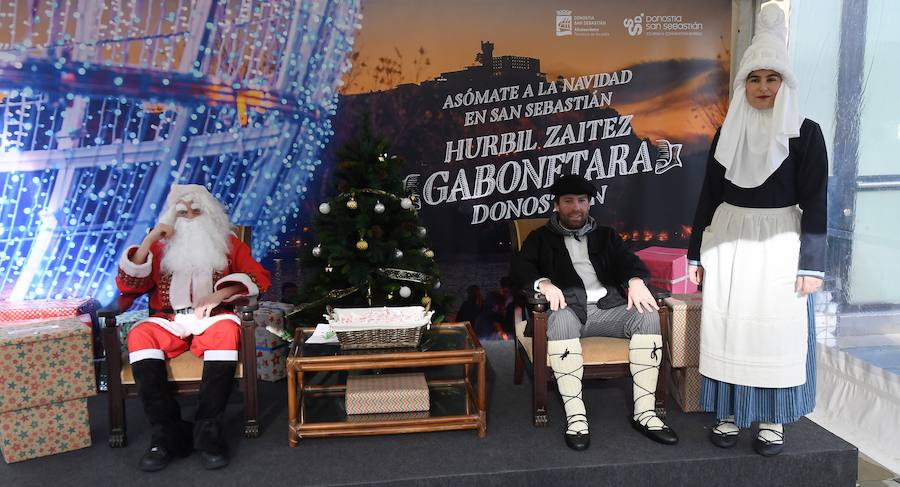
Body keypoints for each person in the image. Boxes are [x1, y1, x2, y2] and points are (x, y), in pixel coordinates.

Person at [687, 4, 826, 457]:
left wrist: (813, 266)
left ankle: (771, 421)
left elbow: (816, 202)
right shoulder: (727, 131)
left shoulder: (806, 133)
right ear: (743, 82)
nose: (763, 88)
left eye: (772, 78)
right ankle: (727, 414)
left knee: (774, 333)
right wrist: (695, 254)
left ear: (785, 83)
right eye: (755, 78)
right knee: (728, 327)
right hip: (728, 244)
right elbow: (708, 196)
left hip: (780, 246)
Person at [510, 174, 678, 451]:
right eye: (568, 201)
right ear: (556, 205)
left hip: (607, 310)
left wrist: (635, 282)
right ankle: (576, 417)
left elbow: (628, 262)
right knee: (561, 319)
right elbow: (521, 269)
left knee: (648, 314)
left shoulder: (607, 235)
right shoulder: (539, 238)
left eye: (582, 201)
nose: (576, 207)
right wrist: (545, 283)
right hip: (568, 310)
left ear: (589, 204)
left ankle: (645, 414)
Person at [117, 184, 270, 471]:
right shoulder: (160, 246)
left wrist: (219, 295)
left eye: (196, 210)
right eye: (181, 211)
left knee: (227, 331)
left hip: (213, 318)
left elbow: (257, 277)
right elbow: (129, 283)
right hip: (169, 320)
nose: (189, 215)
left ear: (209, 212)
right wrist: (151, 238)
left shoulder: (228, 243)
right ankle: (165, 433)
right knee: (140, 334)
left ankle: (207, 431)